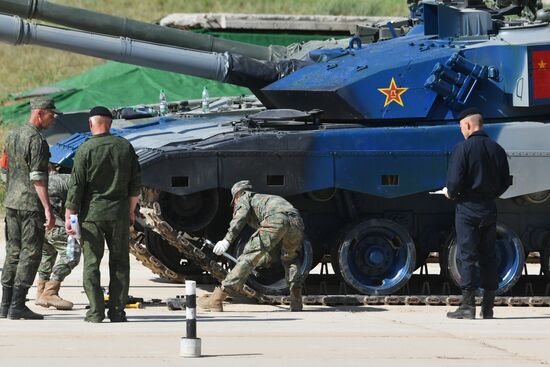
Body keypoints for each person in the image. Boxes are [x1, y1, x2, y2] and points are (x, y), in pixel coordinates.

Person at [64, 106, 141, 323]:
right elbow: (135, 184)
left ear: (91, 124)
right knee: (119, 263)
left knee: (91, 264)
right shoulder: (124, 146)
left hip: (92, 216)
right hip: (118, 214)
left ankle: (95, 312)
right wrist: (131, 211)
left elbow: (75, 186)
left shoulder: (85, 149)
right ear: (110, 123)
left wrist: (71, 217)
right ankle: (117, 312)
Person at [199, 180, 305, 312]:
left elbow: (239, 218)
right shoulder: (268, 198)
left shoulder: (244, 197)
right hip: (296, 222)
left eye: (234, 202)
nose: (235, 205)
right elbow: (273, 246)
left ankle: (216, 300)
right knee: (291, 259)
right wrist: (264, 261)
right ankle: (296, 301)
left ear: (237, 195)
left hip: (276, 220)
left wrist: (227, 240)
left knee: (247, 259)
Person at [445, 107, 511, 320]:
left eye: (461, 128)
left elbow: (454, 183)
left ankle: (468, 306)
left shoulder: (462, 149)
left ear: (468, 125)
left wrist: (451, 194)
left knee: (467, 256)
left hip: (467, 209)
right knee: (488, 255)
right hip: (488, 208)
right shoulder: (497, 149)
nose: (462, 132)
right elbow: (504, 182)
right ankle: (488, 308)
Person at [0, 97, 58, 320]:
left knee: (13, 252)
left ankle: (5, 304)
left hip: (12, 203)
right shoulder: (37, 140)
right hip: (30, 206)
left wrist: (14, 189)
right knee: (31, 253)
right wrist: (47, 209)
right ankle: (18, 305)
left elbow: (4, 168)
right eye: (51, 115)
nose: (52, 120)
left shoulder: (12, 135)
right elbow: (38, 178)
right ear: (40, 113)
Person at [35, 172, 80, 310]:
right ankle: (50, 292)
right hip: (53, 220)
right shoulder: (80, 184)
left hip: (39, 220)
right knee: (72, 252)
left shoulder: (63, 179)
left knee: (48, 252)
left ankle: (40, 292)